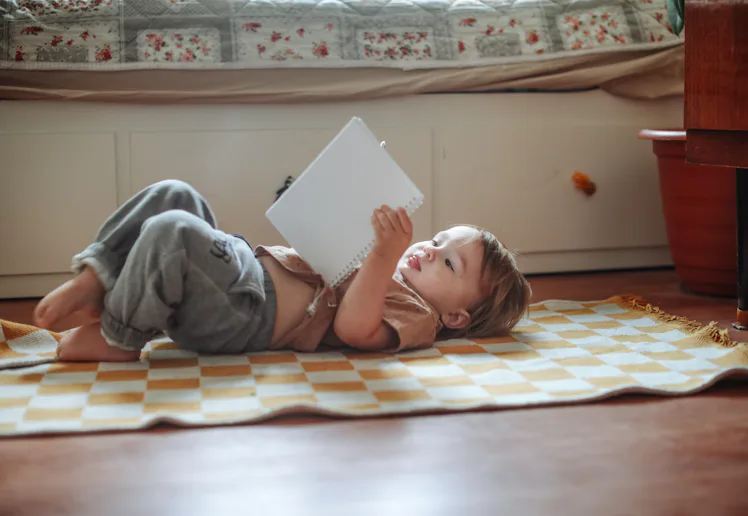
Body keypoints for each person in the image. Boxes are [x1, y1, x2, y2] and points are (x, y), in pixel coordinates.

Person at [33, 180, 531, 361]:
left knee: (173, 230)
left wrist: (381, 256)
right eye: (437, 238)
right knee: (177, 194)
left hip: (245, 314)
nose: (427, 248)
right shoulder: (387, 268)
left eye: (448, 261)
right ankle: (97, 275)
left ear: (458, 318)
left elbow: (353, 328)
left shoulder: (419, 317)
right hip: (245, 265)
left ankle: (120, 337)